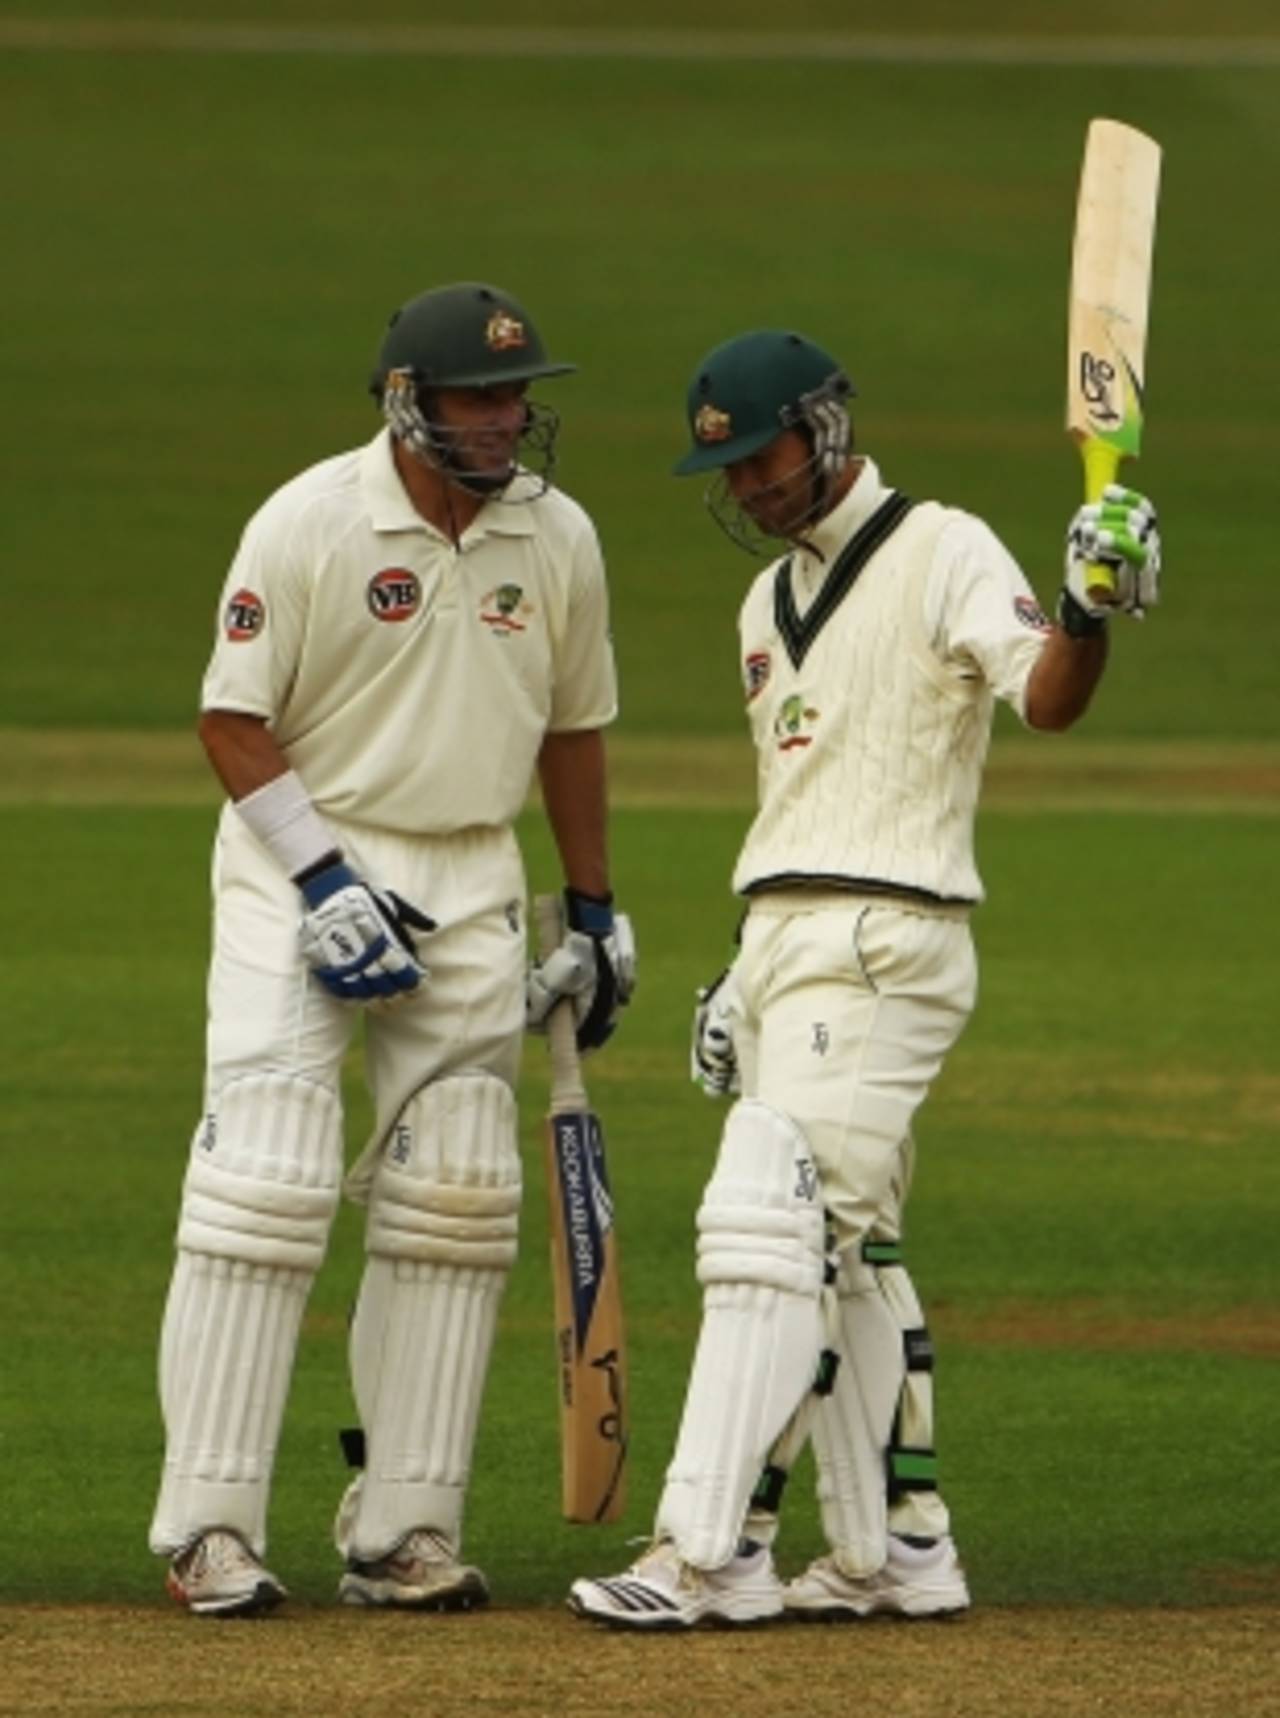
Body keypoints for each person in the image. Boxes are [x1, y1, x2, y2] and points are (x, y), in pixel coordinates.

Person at [569, 328, 1159, 1629]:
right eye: (725, 468)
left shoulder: (943, 547)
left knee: (762, 1225)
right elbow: (803, 799)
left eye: (761, 455)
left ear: (826, 427)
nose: (748, 486)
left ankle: (705, 1549)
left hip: (891, 937)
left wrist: (1087, 607)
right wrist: (743, 970)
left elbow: (1047, 697)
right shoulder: (758, 607)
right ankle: (900, 1546)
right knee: (847, 1253)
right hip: (788, 940)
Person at [151, 281, 634, 1618]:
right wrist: (320, 878)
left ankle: (406, 1530)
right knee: (265, 1181)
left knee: (462, 1197)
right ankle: (210, 1530)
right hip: (295, 856)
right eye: (479, 396)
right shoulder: (308, 519)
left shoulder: (559, 537)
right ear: (405, 401)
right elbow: (232, 721)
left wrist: (593, 910)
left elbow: (572, 729)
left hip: (473, 868)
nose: (508, 417)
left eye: (518, 393)